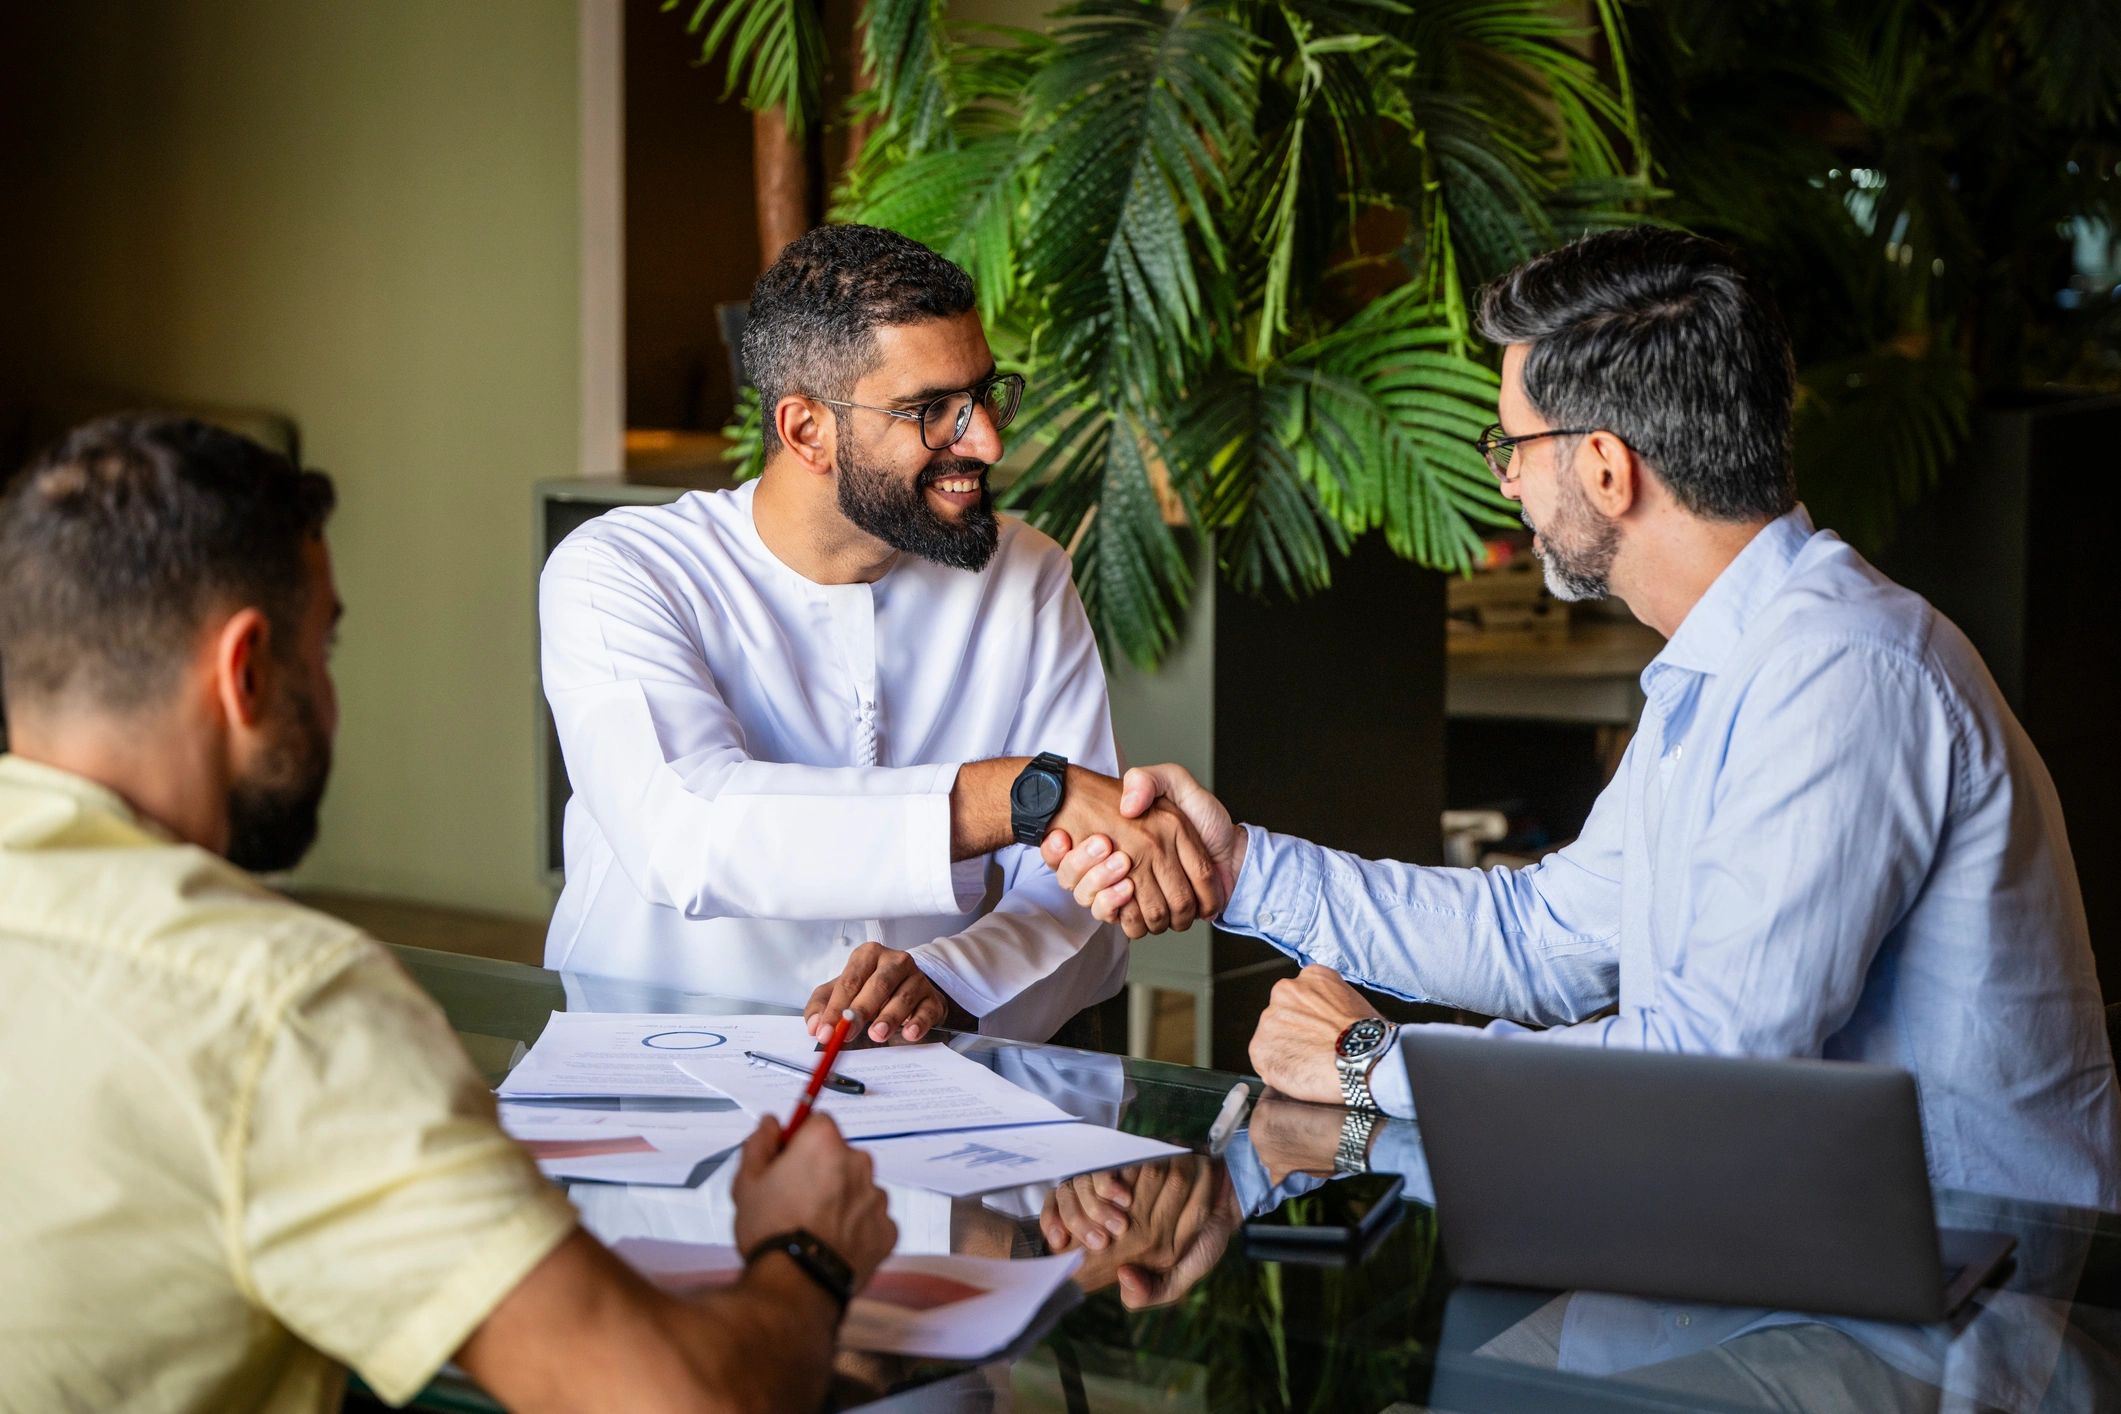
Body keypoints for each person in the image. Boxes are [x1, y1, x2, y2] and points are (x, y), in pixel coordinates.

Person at [1043, 226, 2121, 1211]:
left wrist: (1373, 1063)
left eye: (1511, 444)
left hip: (1976, 1299)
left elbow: (1712, 1071)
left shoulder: (1843, 674)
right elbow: (1543, 936)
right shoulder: (1742, 658)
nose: (1505, 479)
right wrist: (1237, 868)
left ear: (1605, 466)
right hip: (1809, 1257)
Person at [0, 414, 897, 1413]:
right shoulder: (282, 1008)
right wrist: (805, 1249)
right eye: (322, 647)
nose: (331, 697)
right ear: (246, 671)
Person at [540, 223, 1216, 1045]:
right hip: (661, 1085)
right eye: (931, 411)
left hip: (930, 1094)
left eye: (984, 395)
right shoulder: (621, 571)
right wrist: (1021, 794)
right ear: (804, 431)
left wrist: (951, 977)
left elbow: (1077, 883)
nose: (987, 441)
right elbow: (687, 831)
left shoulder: (1026, 571)